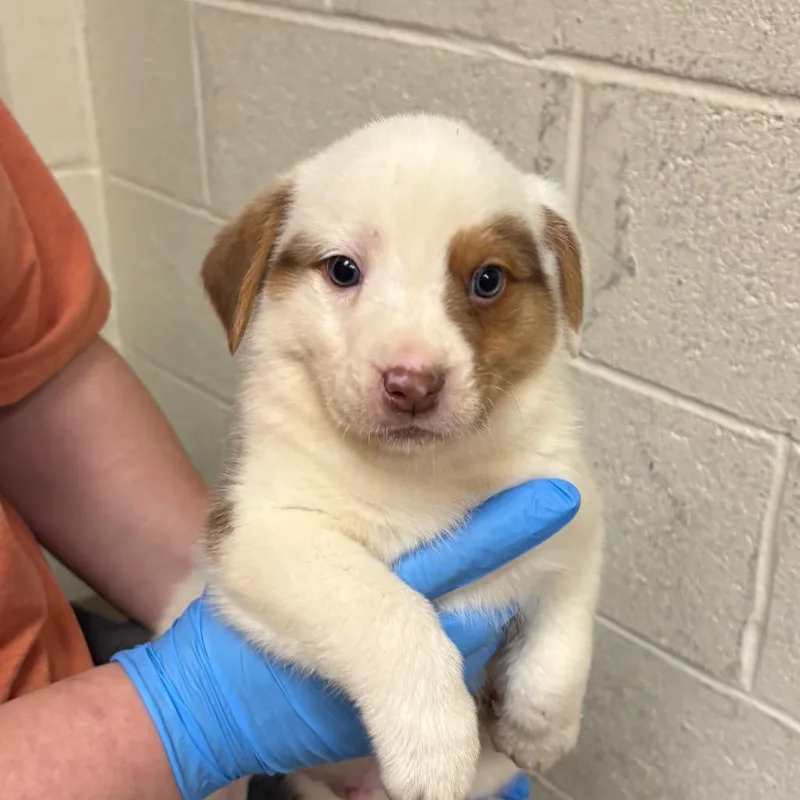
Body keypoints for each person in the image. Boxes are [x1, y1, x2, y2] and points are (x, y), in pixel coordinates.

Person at [0, 99, 581, 800]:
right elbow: (269, 545)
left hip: (64, 687)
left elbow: (35, 377)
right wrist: (188, 717)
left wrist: (546, 678)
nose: (412, 368)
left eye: (484, 281)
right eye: (343, 272)